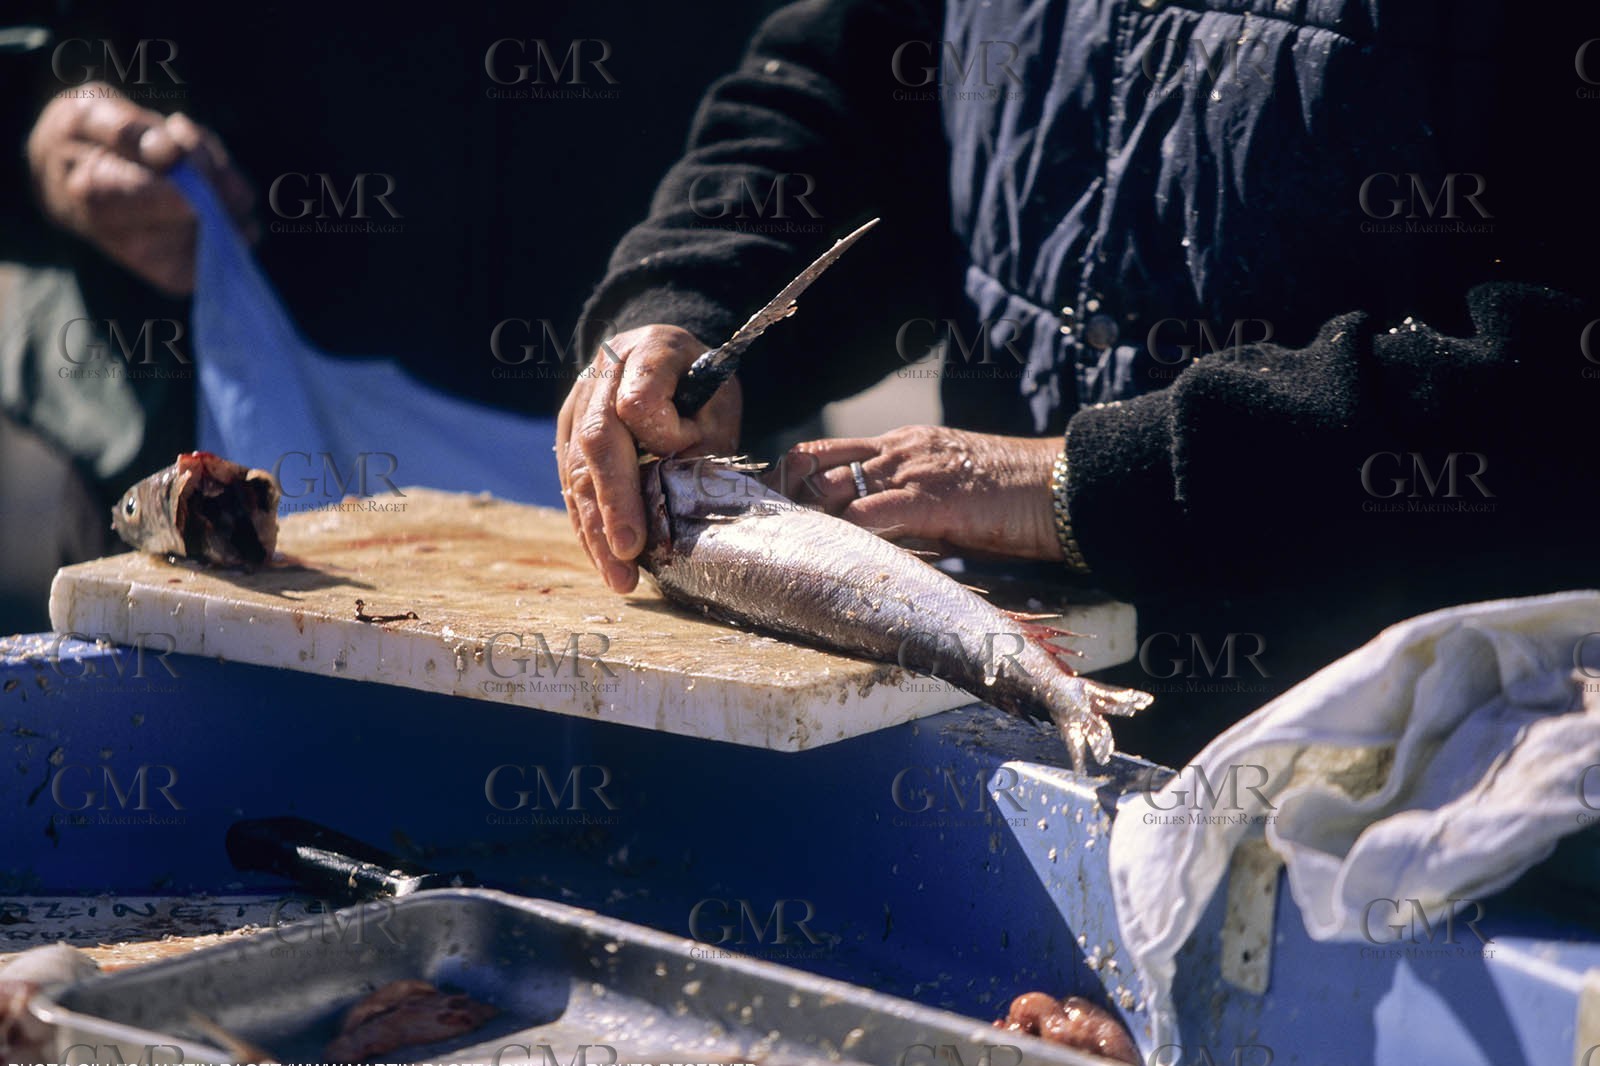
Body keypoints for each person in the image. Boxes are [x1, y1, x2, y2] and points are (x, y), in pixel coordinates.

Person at [556, 0, 1598, 765]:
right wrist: (688, 300)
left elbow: (1563, 379)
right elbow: (855, 86)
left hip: (1432, 769)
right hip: (1018, 718)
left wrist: (1103, 479)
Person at [0, 1, 778, 630]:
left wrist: (700, 302)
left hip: (686, 439)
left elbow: (843, 78)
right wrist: (37, 124)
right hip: (200, 423)